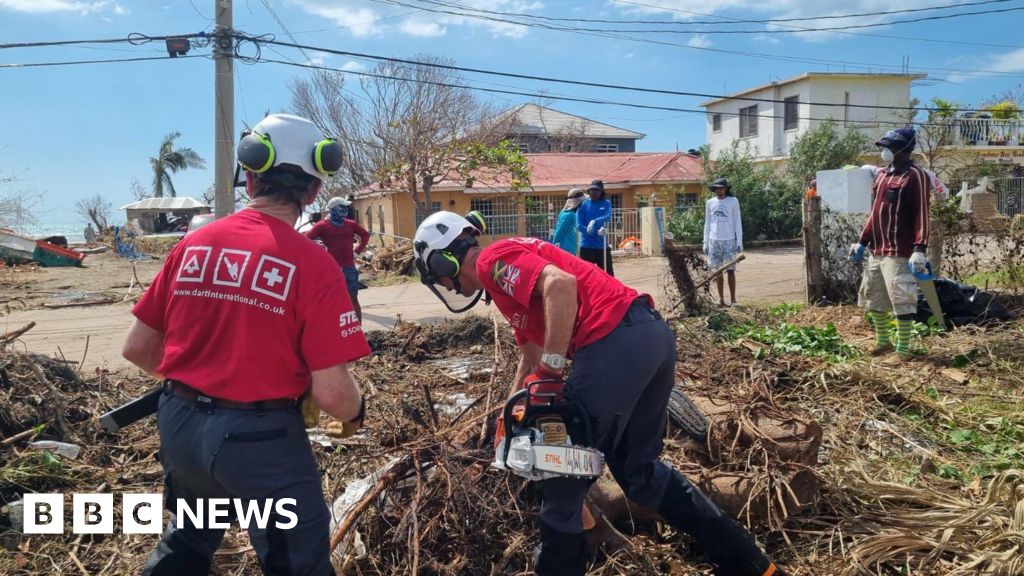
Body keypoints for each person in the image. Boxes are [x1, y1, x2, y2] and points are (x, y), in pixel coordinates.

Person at [412, 211, 784, 576]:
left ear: (444, 263)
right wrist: (505, 421)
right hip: (648, 337)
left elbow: (561, 286)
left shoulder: (493, 259)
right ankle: (756, 567)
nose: (446, 287)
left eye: (439, 279)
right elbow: (531, 361)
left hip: (613, 341)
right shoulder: (508, 284)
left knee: (561, 479)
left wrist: (553, 372)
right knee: (640, 473)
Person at [122, 113, 369, 576]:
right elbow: (333, 395)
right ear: (315, 190)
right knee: (297, 560)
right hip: (261, 440)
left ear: (250, 178)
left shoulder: (194, 243)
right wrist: (357, 414)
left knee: (189, 537)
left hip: (179, 424)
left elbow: (138, 349)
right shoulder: (313, 267)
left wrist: (201, 386)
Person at [849, 128, 931, 359]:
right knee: (874, 297)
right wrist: (862, 242)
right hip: (877, 250)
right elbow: (874, 213)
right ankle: (884, 342)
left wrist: (920, 249)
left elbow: (922, 213)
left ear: (905, 149)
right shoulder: (883, 175)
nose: (885, 151)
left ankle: (903, 350)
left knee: (901, 300)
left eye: (890, 147)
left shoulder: (916, 175)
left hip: (900, 251)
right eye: (884, 146)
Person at [306, 196, 371, 321]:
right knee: (331, 299)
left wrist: (357, 251)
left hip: (349, 267)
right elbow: (306, 239)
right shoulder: (322, 226)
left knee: (353, 298)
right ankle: (334, 329)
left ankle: (358, 330)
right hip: (331, 268)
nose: (345, 210)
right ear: (333, 209)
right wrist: (318, 255)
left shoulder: (350, 224)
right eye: (342, 207)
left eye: (346, 207)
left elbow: (365, 234)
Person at [703, 178, 743, 306]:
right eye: (716, 188)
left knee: (730, 270)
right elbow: (707, 222)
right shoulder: (710, 203)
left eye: (721, 188)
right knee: (717, 271)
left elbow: (737, 221)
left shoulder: (733, 201)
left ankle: (733, 300)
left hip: (729, 240)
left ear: (726, 188)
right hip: (714, 241)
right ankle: (721, 299)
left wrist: (739, 241)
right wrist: (705, 241)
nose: (719, 190)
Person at [576, 179, 614, 275]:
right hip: (587, 246)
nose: (593, 193)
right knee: (586, 275)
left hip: (602, 246)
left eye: (596, 190)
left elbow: (608, 216)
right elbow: (579, 225)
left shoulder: (606, 203)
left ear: (601, 192)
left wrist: (594, 222)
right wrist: (590, 231)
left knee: (608, 275)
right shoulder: (584, 204)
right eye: (592, 190)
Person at [551, 188, 584, 254]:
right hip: (567, 250)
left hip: (568, 248)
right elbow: (560, 231)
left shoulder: (565, 212)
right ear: (577, 202)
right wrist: (554, 244)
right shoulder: (569, 214)